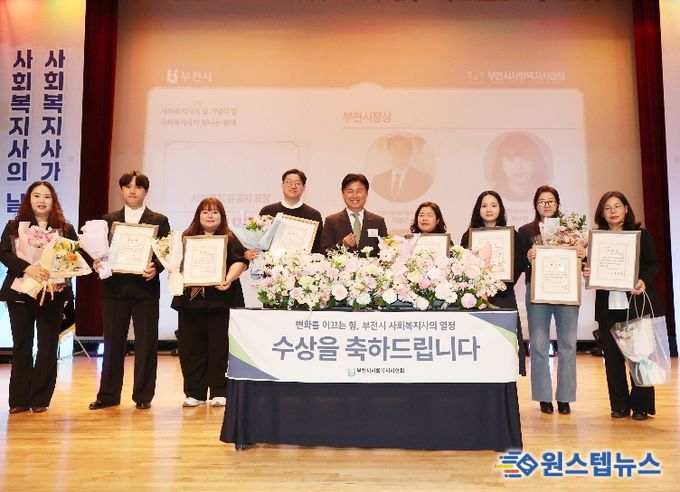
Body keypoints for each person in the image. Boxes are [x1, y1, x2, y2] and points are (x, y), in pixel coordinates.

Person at [89, 171, 170, 411]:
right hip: (115, 289)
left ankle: (143, 395)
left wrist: (156, 267)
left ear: (146, 191)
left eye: (138, 187)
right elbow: (99, 251)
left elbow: (167, 252)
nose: (132, 191)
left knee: (146, 344)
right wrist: (97, 262)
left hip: (145, 290)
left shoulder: (159, 220)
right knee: (112, 344)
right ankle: (108, 395)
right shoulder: (108, 219)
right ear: (121, 190)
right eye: (127, 186)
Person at [0, 181, 78, 414]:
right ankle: (19, 400)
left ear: (54, 201)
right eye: (36, 195)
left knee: (47, 345)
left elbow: (74, 258)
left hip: (53, 293)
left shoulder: (65, 229)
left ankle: (40, 398)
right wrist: (28, 268)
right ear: (29, 199)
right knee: (22, 344)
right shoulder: (15, 226)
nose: (41, 200)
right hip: (21, 290)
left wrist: (57, 272)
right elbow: (4, 253)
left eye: (47, 196)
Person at [583, 191, 662, 421]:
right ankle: (619, 405)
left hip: (635, 303)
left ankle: (641, 406)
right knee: (613, 360)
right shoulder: (597, 239)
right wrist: (586, 271)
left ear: (626, 209)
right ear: (602, 213)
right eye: (607, 208)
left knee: (640, 357)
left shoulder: (640, 235)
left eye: (617, 206)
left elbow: (653, 263)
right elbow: (589, 268)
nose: (613, 211)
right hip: (608, 307)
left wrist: (643, 280)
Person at [171, 198, 248, 408]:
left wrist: (228, 279)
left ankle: (219, 391)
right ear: (198, 216)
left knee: (219, 347)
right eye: (205, 212)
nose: (210, 216)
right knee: (191, 348)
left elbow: (241, 261)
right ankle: (194, 393)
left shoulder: (230, 239)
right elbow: (174, 265)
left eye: (215, 212)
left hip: (220, 301)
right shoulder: (185, 239)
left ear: (222, 216)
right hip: (190, 303)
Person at [518, 185, 585, 415]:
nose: (546, 205)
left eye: (550, 201)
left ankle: (565, 397)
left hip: (566, 290)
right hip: (537, 291)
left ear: (557, 204)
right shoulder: (525, 231)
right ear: (535, 206)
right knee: (538, 344)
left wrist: (582, 255)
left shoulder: (572, 231)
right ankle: (543, 397)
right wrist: (527, 257)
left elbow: (582, 263)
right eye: (541, 201)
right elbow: (520, 263)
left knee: (568, 344)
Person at [460, 191, 526, 376]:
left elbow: (518, 264)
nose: (489, 209)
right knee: (479, 346)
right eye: (484, 205)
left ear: (500, 209)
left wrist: (499, 283)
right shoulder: (468, 236)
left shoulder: (513, 236)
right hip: (477, 299)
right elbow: (462, 264)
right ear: (478, 209)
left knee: (505, 347)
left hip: (504, 296)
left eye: (493, 205)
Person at [248, 169, 323, 259]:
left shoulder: (313, 215)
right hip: (269, 265)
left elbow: (318, 248)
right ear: (282, 185)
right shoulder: (268, 211)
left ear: (304, 187)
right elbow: (258, 243)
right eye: (289, 182)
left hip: (302, 266)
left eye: (298, 183)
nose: (293, 186)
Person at [321, 173, 387, 256]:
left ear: (366, 193)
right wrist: (343, 245)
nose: (355, 196)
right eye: (350, 191)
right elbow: (324, 252)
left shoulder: (378, 221)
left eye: (359, 191)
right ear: (343, 193)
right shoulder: (332, 221)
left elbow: (386, 251)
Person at [487, 132, 552, 202]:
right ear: (501, 164)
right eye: (511, 159)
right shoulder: (494, 194)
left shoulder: (544, 193)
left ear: (535, 163)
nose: (518, 167)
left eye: (525, 159)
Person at [372, 134, 433, 203]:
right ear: (389, 152)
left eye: (403, 150)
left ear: (410, 153)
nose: (399, 154)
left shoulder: (424, 179)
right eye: (395, 149)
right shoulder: (378, 180)